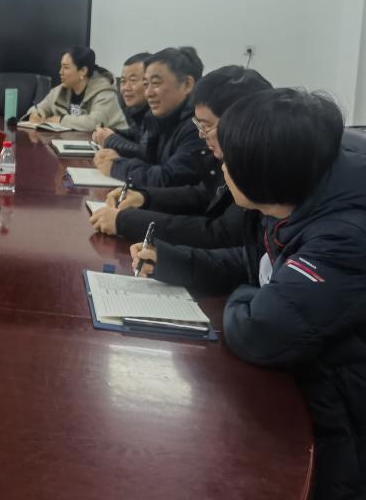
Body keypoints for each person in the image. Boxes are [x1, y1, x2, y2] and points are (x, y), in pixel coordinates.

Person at [130, 89, 366, 500]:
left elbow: (262, 331)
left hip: (342, 417)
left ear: (264, 171)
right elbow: (258, 262)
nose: (221, 168)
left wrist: (252, 294)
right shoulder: (299, 195)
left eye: (230, 160)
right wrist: (173, 261)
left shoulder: (344, 234)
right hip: (308, 380)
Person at [90, 66, 272, 245]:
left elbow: (221, 233)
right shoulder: (160, 119)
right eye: (146, 84)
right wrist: (144, 198)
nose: (201, 134)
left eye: (206, 126)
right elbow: (205, 195)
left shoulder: (260, 168)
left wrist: (126, 221)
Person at [93, 46, 204, 188]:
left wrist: (116, 165)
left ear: (187, 84)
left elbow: (167, 179)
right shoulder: (161, 117)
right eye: (146, 84)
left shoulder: (198, 126)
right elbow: (149, 160)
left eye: (156, 83)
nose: (148, 93)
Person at [22, 46, 127, 131]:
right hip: (73, 143)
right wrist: (36, 114)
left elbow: (95, 123)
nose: (60, 72)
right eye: (61, 67)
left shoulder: (104, 91)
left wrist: (61, 120)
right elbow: (39, 108)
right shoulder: (60, 91)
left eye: (66, 67)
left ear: (83, 71)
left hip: (113, 146)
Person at [92, 52, 150, 158]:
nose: (125, 88)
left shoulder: (158, 112)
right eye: (123, 81)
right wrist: (109, 132)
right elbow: (134, 135)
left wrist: (109, 139)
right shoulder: (137, 109)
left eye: (133, 80)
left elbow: (145, 154)